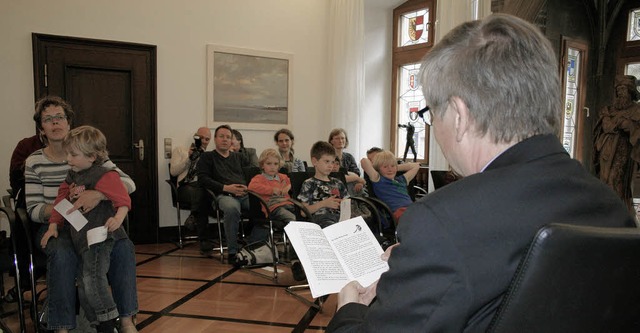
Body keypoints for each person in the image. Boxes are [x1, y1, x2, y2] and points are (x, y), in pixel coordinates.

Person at [327, 14, 636, 333]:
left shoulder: (443, 222)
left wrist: (350, 309)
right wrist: (418, 267)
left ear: (459, 116)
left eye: (432, 113)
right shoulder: (611, 207)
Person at [25, 96, 138, 333]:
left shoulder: (89, 153)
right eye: (48, 119)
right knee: (63, 252)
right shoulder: (34, 161)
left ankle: (126, 321)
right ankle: (62, 326)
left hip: (93, 222)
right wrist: (64, 210)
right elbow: (33, 209)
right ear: (41, 128)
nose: (55, 123)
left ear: (68, 122)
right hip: (55, 224)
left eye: (60, 117)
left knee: (123, 246)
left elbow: (127, 184)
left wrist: (98, 195)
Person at [42, 126, 132, 333]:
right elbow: (60, 202)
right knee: (83, 284)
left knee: (93, 279)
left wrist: (118, 218)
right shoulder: (71, 177)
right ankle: (97, 322)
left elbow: (123, 199)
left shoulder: (105, 175)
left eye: (73, 155)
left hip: (101, 236)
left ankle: (109, 322)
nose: (68, 159)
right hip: (82, 238)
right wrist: (53, 226)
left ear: (92, 156)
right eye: (68, 154)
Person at [197, 125, 268, 262]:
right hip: (223, 195)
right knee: (232, 208)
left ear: (231, 141)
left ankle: (253, 244)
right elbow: (203, 180)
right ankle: (233, 252)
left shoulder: (239, 157)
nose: (225, 139)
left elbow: (254, 174)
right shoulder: (207, 157)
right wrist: (226, 188)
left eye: (228, 137)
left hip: (244, 193)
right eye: (221, 136)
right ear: (215, 139)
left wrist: (247, 187)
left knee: (263, 206)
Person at [593, 74, 640, 210]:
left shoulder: (636, 110)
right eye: (618, 90)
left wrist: (628, 125)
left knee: (616, 180)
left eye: (623, 89)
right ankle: (605, 211)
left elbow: (635, 131)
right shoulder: (609, 111)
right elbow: (603, 127)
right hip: (606, 151)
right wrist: (609, 121)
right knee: (605, 179)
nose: (620, 93)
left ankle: (617, 212)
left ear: (630, 91)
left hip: (623, 152)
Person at [297, 141, 348, 228]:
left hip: (340, 218)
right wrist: (324, 203)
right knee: (332, 226)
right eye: (327, 161)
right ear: (314, 162)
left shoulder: (338, 183)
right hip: (321, 219)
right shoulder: (309, 184)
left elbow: (347, 204)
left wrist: (344, 204)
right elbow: (303, 212)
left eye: (332, 162)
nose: (330, 166)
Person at [169, 127, 211, 230]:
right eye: (201, 138)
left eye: (207, 139)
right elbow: (173, 172)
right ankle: (204, 237)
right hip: (185, 187)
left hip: (203, 186)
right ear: (195, 137)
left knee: (206, 193)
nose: (204, 141)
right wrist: (189, 158)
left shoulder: (209, 156)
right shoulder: (180, 150)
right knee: (203, 195)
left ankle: (194, 216)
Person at [361, 150, 420, 221]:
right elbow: (364, 161)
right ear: (378, 169)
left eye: (392, 166)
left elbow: (416, 166)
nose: (390, 169)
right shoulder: (378, 180)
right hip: (398, 212)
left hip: (412, 209)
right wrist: (376, 167)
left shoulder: (402, 179)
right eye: (385, 167)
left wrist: (395, 167)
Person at [248, 148, 295, 228]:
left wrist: (288, 187)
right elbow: (251, 187)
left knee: (304, 214)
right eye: (269, 164)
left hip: (289, 204)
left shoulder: (282, 177)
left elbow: (293, 182)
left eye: (276, 164)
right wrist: (272, 190)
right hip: (273, 208)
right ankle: (293, 239)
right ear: (262, 165)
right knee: (292, 219)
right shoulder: (259, 178)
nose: (272, 167)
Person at [328, 128, 366, 196]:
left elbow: (356, 173)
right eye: (337, 138)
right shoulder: (327, 157)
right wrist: (357, 178)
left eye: (343, 138)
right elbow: (334, 176)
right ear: (331, 141)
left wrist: (359, 183)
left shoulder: (349, 157)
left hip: (351, 185)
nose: (340, 141)